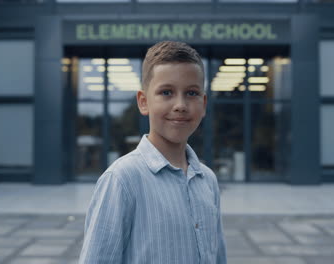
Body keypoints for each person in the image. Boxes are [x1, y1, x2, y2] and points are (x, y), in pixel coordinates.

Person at [79, 41, 227, 264]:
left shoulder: (208, 180)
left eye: (192, 93)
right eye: (166, 92)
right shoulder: (122, 180)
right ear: (143, 101)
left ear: (204, 104)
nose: (180, 105)